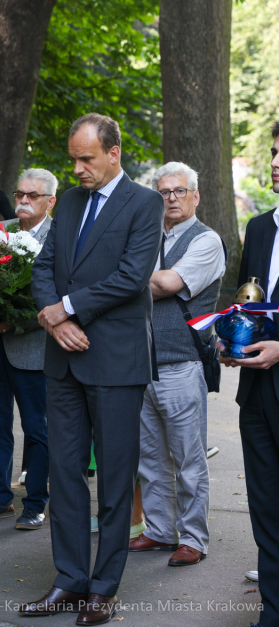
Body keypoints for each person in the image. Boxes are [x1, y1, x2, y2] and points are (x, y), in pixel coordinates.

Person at [23, 113, 163, 624]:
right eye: (74, 159)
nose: (78, 168)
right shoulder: (72, 201)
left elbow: (131, 277)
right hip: (63, 359)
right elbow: (43, 267)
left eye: (86, 159)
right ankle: (69, 579)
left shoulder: (145, 203)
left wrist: (69, 308)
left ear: (114, 152)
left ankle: (104, 587)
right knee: (63, 475)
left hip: (116, 363)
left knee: (115, 481)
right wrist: (51, 318)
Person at [127, 162, 223, 568]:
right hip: (139, 363)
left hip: (182, 362)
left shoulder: (207, 241)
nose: (171, 199)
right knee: (149, 458)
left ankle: (194, 537)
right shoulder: (148, 236)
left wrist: (127, 276)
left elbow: (166, 285)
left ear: (195, 196)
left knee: (188, 459)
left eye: (179, 191)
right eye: (163, 192)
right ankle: (161, 530)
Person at [0, 168, 56, 531]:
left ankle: (35, 501)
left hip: (33, 347)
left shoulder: (60, 236)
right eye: (19, 194)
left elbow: (58, 295)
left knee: (38, 429)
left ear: (50, 201)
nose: (22, 201)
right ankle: (0, 497)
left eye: (32, 196)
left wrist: (17, 322)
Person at [220, 121, 279, 627]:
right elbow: (248, 301)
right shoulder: (259, 227)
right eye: (275, 152)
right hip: (256, 392)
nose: (277, 163)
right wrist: (230, 341)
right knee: (265, 502)